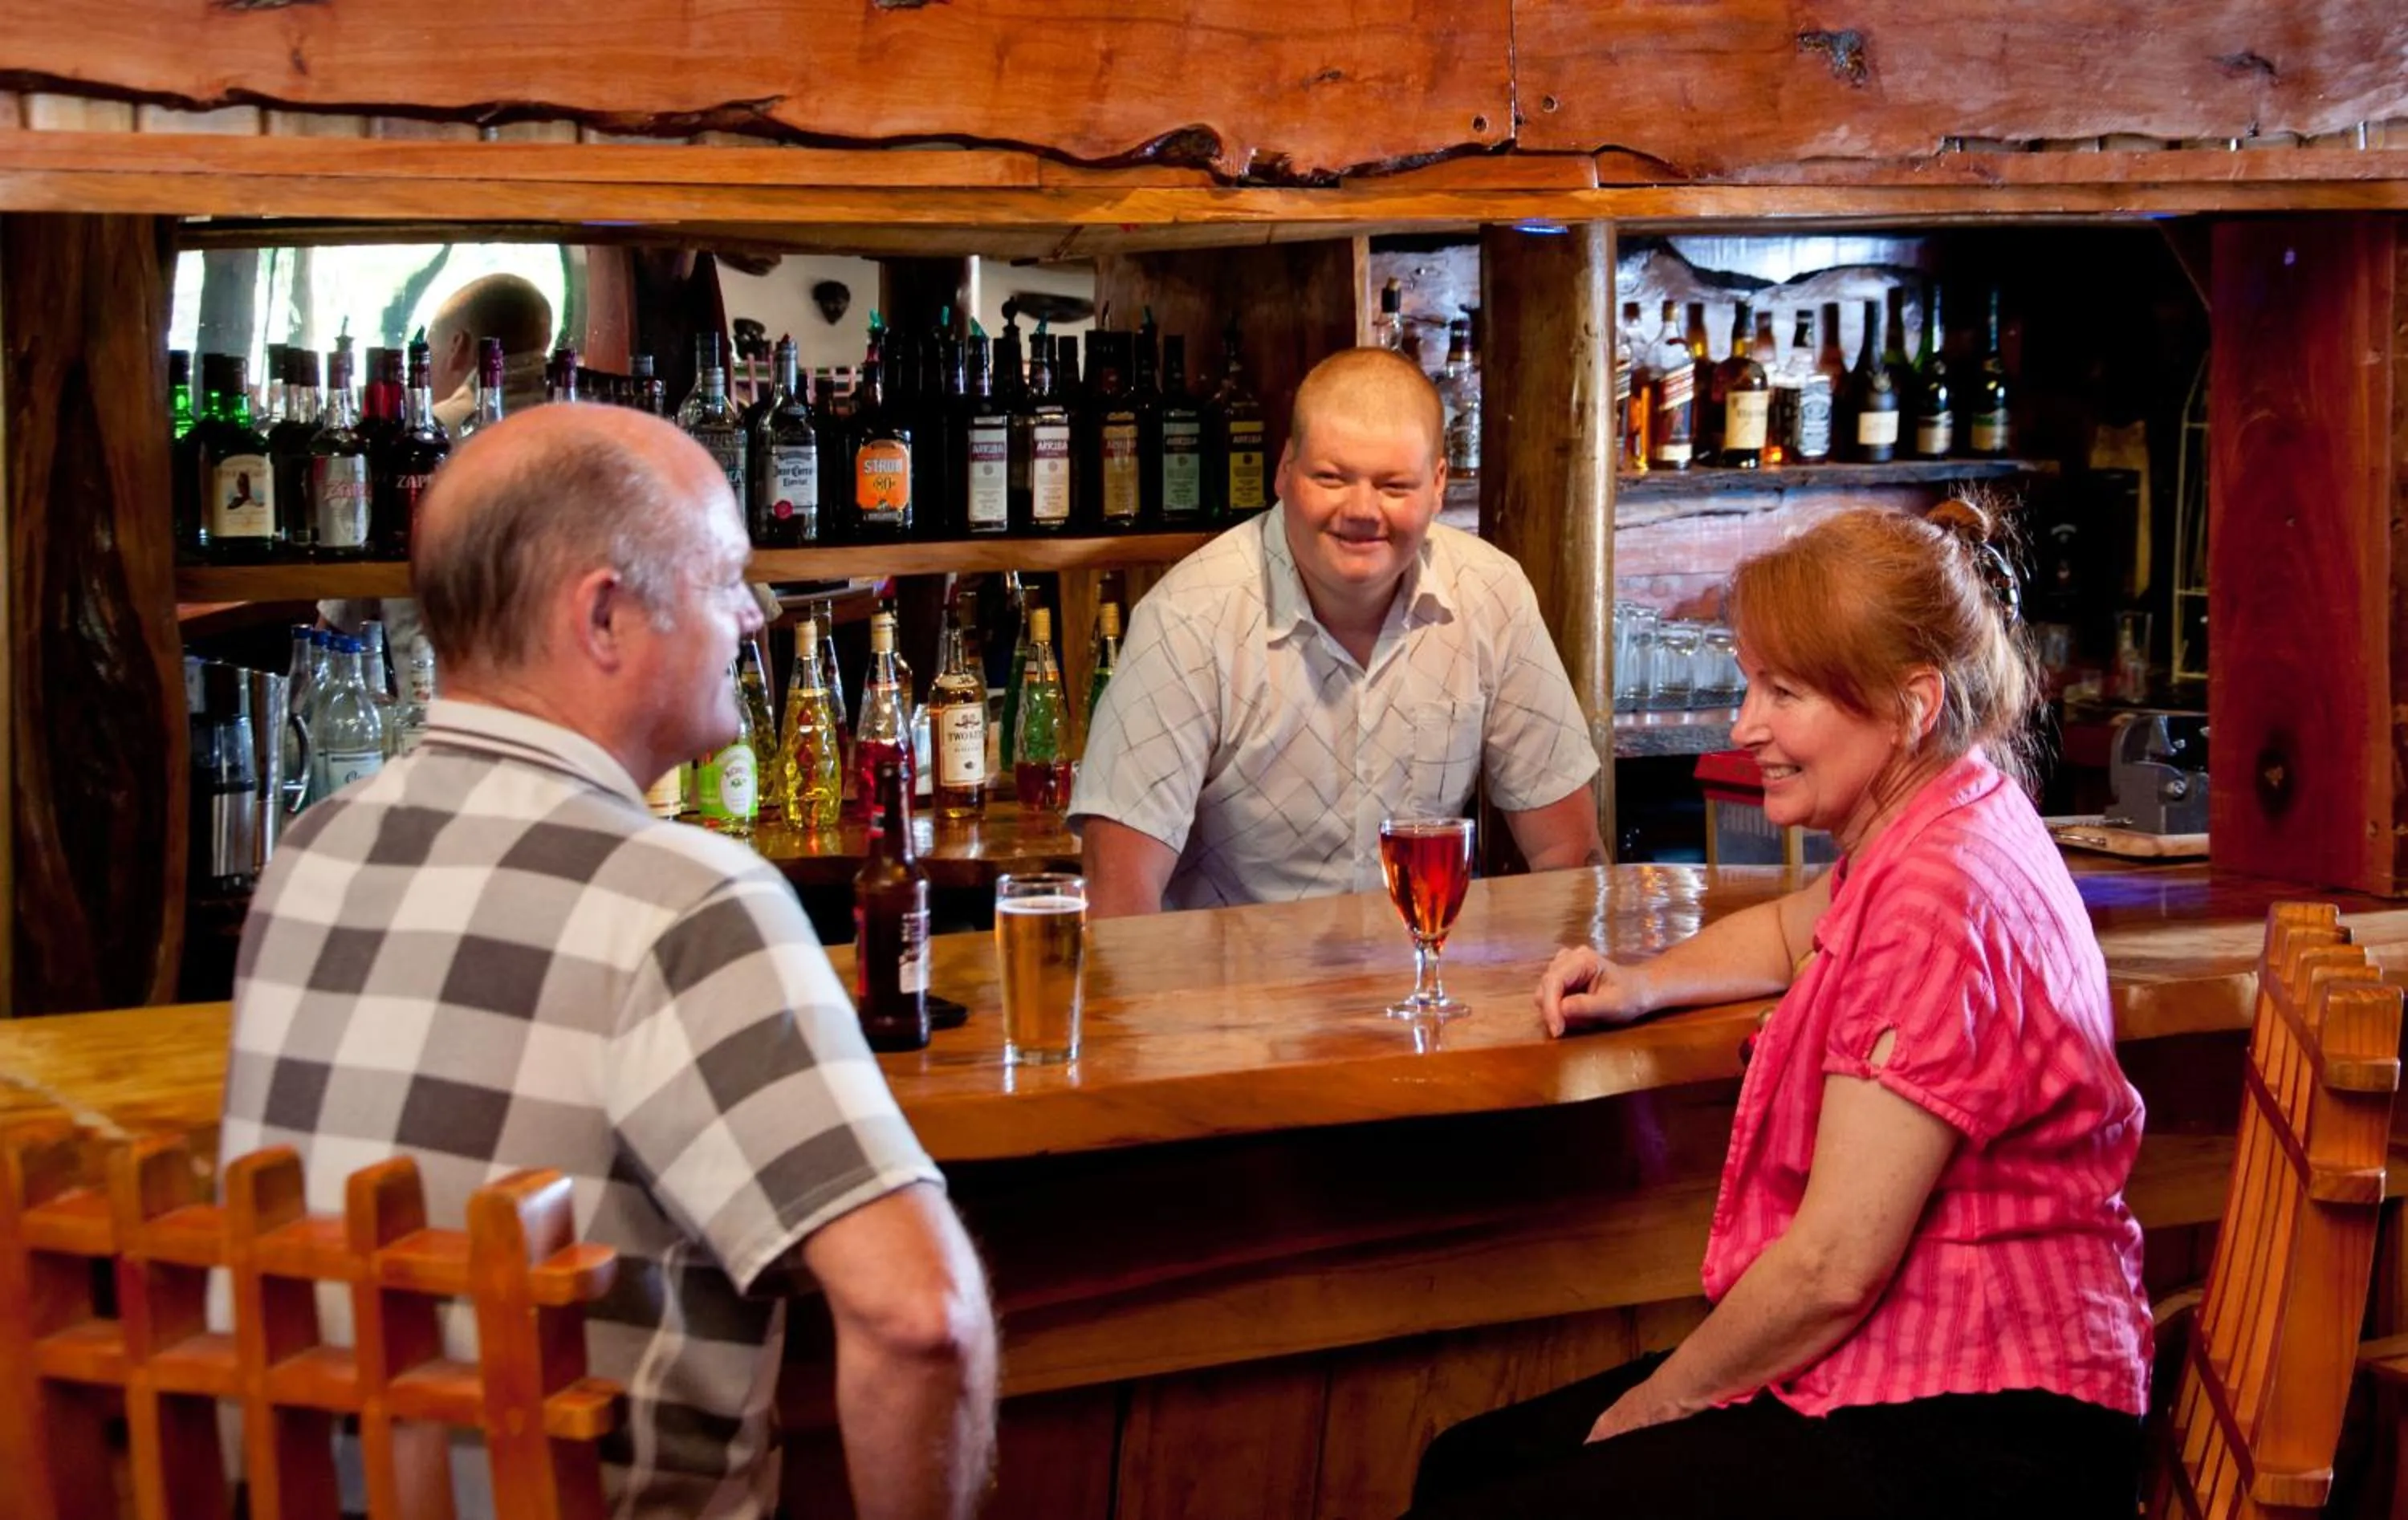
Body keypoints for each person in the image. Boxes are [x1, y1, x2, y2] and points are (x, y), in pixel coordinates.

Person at [222, 404, 997, 1519]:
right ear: (604, 616)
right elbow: (923, 1316)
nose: (753, 614)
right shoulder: (685, 897)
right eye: (728, 576)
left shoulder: (317, 848)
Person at [1402, 503, 2150, 1519]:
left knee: (1496, 1492)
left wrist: (1661, 1404)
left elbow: (1833, 1269)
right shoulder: (1949, 809)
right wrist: (1646, 980)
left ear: (1912, 704)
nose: (1745, 725)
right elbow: (1804, 926)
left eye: (1784, 693)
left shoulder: (1940, 897)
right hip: (1943, 1367)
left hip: (1991, 1422)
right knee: (1468, 1463)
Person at [1071, 347, 1604, 915]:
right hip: (1231, 995)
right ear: (1284, 468)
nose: (1362, 510)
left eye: (1395, 486)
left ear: (1438, 484)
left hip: (1428, 987)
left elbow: (1567, 851)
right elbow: (1118, 893)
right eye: (1331, 477)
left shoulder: (1491, 593)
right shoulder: (1188, 619)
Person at [427, 271, 556, 435]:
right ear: (547, 342)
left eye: (429, 350)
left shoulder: (434, 434)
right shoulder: (589, 411)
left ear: (457, 346)